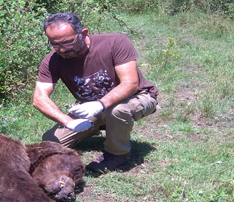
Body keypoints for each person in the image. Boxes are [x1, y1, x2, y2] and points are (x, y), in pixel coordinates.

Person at [33, 12, 159, 173]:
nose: (62, 49)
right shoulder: (52, 61)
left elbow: (131, 84)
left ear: (83, 33)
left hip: (138, 96)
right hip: (93, 107)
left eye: (67, 42)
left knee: (117, 110)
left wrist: (100, 104)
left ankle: (117, 154)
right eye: (55, 45)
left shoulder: (115, 42)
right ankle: (95, 126)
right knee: (50, 141)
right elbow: (39, 98)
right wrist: (67, 121)